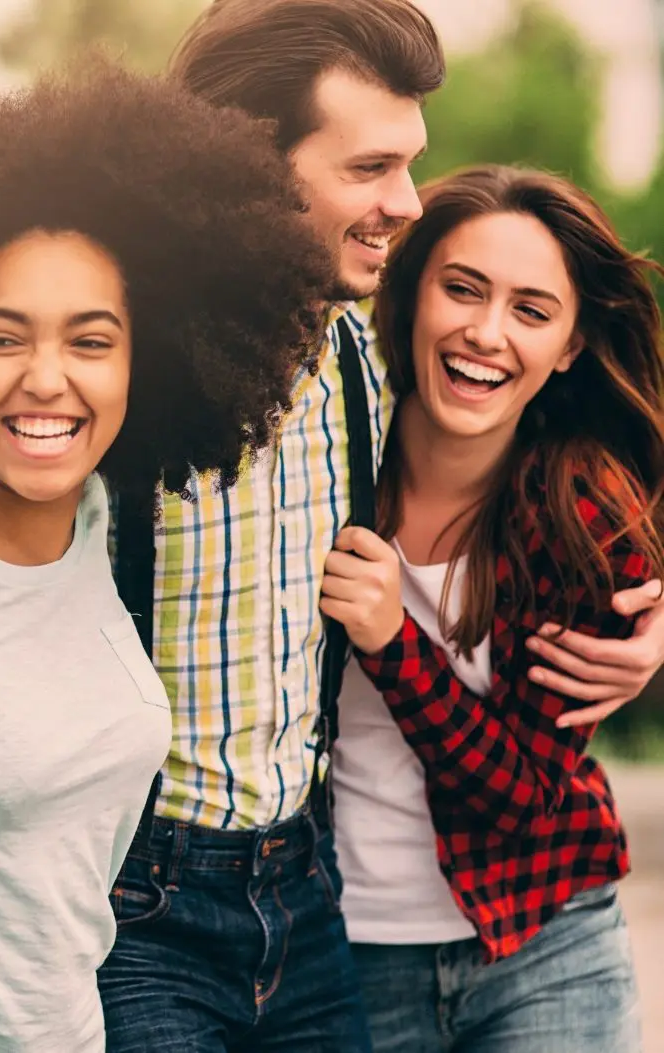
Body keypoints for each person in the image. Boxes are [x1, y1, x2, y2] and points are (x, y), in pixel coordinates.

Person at [98, 2, 664, 1051]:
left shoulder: (394, 401)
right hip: (217, 912)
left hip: (424, 917)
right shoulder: (147, 368)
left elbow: (530, 778)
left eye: (411, 167)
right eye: (370, 169)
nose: (404, 203)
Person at [0, 61, 329, 1053]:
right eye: (4, 336)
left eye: (91, 340)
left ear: (150, 356)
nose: (46, 380)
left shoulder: (94, 525)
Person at [324, 164, 663, 1052]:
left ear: (570, 346)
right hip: (339, 957)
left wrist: (394, 642)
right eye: (462, 289)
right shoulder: (319, 466)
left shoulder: (583, 515)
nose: (484, 332)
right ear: (412, 295)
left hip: (543, 945)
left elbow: (517, 793)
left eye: (530, 309)